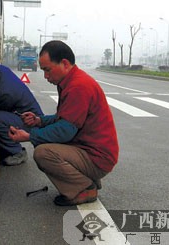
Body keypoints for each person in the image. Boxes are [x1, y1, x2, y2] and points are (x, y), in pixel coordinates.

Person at [8, 40, 119, 206]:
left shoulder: (78, 86)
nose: (45, 76)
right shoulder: (71, 82)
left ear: (65, 64)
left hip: (97, 157)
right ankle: (86, 179)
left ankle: (83, 189)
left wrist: (29, 136)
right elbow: (64, 117)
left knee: (44, 152)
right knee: (44, 143)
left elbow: (64, 130)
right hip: (91, 151)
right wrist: (39, 121)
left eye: (47, 70)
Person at [0, 63, 44, 166]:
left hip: (31, 122)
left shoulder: (6, 94)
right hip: (21, 115)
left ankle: (16, 152)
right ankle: (4, 147)